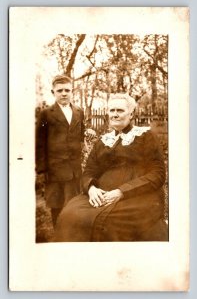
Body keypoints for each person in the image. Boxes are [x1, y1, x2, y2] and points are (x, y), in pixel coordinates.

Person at [54, 93, 168, 241]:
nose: (114, 115)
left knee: (108, 222)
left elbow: (157, 174)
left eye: (119, 110)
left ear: (131, 113)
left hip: (137, 195)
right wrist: (91, 189)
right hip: (102, 195)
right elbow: (89, 172)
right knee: (69, 214)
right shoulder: (102, 141)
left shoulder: (146, 136)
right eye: (111, 110)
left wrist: (121, 191)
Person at [36, 74, 85, 227]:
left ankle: (72, 232)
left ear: (72, 92)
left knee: (73, 203)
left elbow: (81, 136)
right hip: (54, 169)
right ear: (53, 92)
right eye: (60, 90)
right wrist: (42, 170)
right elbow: (40, 143)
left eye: (67, 90)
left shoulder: (79, 112)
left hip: (74, 169)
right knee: (56, 204)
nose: (64, 93)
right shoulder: (46, 114)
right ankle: (58, 232)